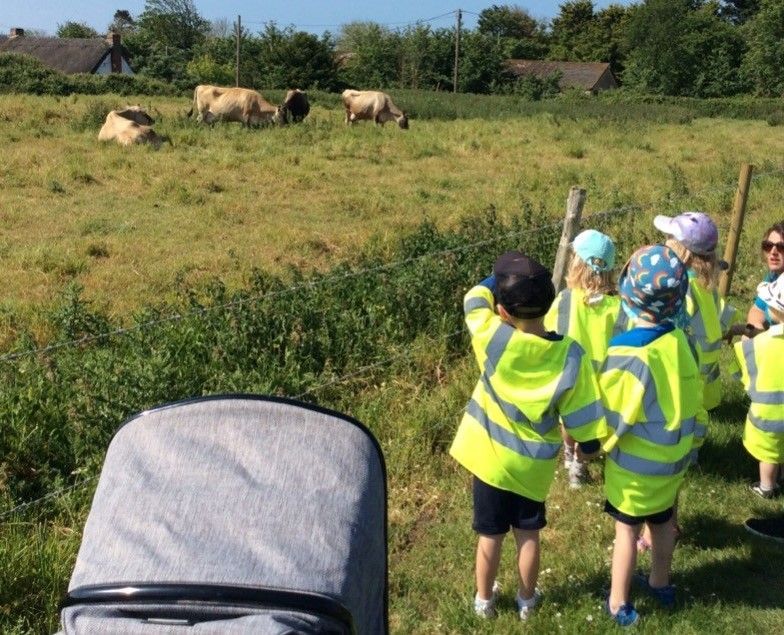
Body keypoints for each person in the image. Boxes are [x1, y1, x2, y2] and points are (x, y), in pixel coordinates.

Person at [450, 251, 607, 621]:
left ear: (502, 311)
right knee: (528, 534)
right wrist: (588, 444)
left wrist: (495, 278)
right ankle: (526, 600)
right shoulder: (570, 356)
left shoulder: (493, 339)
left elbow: (473, 300)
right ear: (550, 304)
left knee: (489, 535)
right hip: (532, 466)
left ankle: (484, 600)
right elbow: (582, 413)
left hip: (489, 461)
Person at [599, 244, 707, 627]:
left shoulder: (627, 353)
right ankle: (661, 582)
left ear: (628, 292)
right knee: (661, 523)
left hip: (634, 468)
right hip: (672, 460)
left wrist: (596, 445)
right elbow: (692, 396)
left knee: (626, 530)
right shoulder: (678, 342)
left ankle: (618, 601)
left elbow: (616, 415)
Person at [545, 229, 626, 488]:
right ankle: (585, 458)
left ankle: (571, 458)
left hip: (572, 378)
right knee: (599, 425)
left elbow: (549, 332)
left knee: (570, 420)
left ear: (575, 264)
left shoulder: (564, 301)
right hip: (607, 380)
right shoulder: (619, 307)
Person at [653, 211, 738, 411]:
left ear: (682, 251)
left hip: (685, 373)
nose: (665, 243)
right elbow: (720, 317)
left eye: (669, 239)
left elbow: (674, 329)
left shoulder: (683, 288)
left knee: (687, 422)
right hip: (705, 373)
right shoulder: (705, 284)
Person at [732, 275, 784, 499]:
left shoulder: (761, 344)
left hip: (768, 413)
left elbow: (747, 371)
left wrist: (745, 340)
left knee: (769, 454)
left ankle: (766, 487)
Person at [746, 220, 784, 330]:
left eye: (781, 247)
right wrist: (755, 327)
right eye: (768, 245)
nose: (773, 251)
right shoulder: (773, 276)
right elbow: (757, 309)